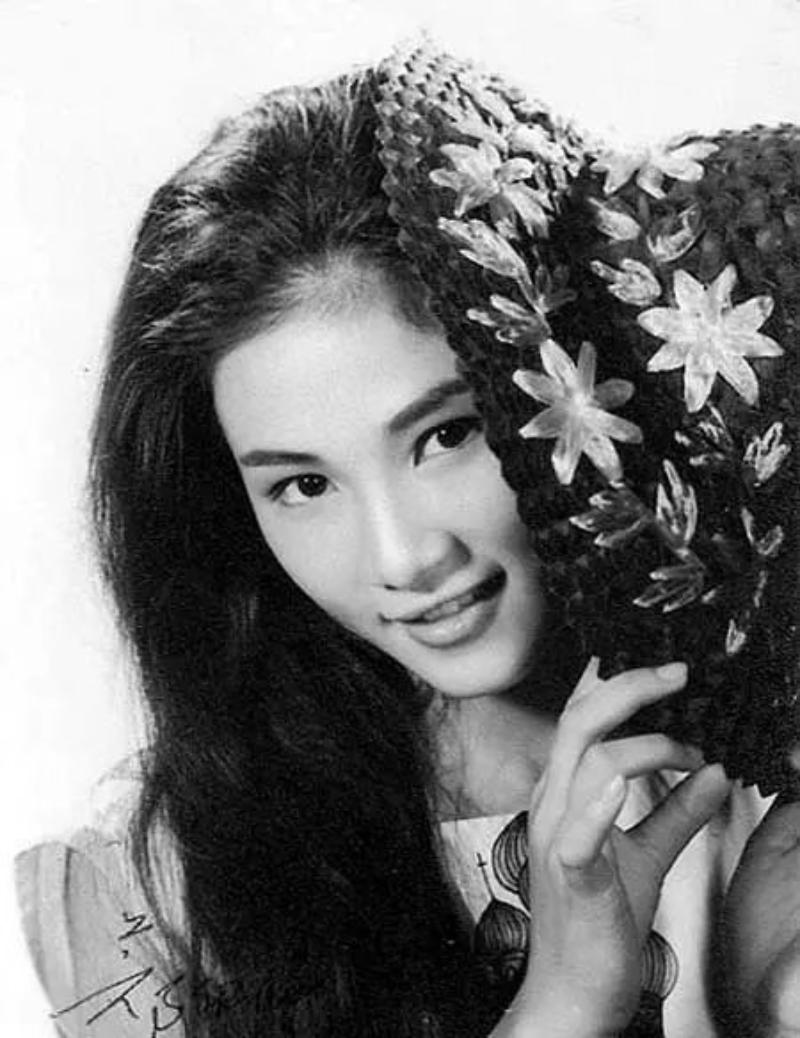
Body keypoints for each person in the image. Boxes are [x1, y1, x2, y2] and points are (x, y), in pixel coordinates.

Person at [14, 51, 800, 1038]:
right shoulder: (146, 885)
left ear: (570, 384)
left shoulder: (765, 788)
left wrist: (777, 1003)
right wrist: (564, 1002)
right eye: (304, 486)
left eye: (446, 435)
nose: (401, 559)